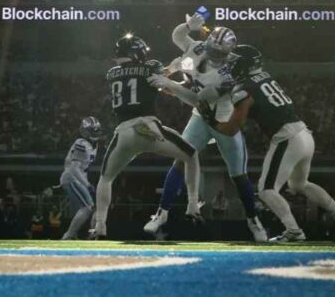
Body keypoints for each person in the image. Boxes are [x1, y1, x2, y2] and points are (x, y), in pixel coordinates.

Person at [200, 43, 335, 242]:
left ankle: (294, 231)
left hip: (286, 136)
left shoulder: (243, 88)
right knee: (299, 184)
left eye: (234, 63)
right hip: (304, 134)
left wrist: (210, 119)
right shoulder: (264, 77)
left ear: (243, 65)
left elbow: (232, 129)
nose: (231, 66)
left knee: (266, 190)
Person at [144, 18, 267, 242]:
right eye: (211, 49)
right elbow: (178, 38)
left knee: (238, 175)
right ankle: (162, 214)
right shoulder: (198, 49)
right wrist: (187, 27)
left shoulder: (230, 73)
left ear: (229, 53)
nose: (213, 55)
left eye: (220, 53)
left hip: (223, 121)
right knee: (180, 160)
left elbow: (197, 99)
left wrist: (170, 84)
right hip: (201, 118)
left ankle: (253, 220)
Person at [90, 34, 203, 240]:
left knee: (106, 178)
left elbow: (138, 77)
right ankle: (193, 206)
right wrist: (181, 63)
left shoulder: (112, 73)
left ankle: (99, 227)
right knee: (190, 154)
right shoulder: (150, 66)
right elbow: (161, 77)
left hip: (123, 132)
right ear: (136, 52)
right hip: (147, 126)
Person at [59, 116, 102, 240]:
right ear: (85, 131)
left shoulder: (92, 145)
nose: (96, 132)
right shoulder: (81, 143)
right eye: (92, 130)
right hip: (72, 177)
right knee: (87, 207)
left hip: (78, 178)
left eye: (96, 130)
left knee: (89, 207)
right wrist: (87, 185)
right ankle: (68, 236)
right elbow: (74, 168)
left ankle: (85, 234)